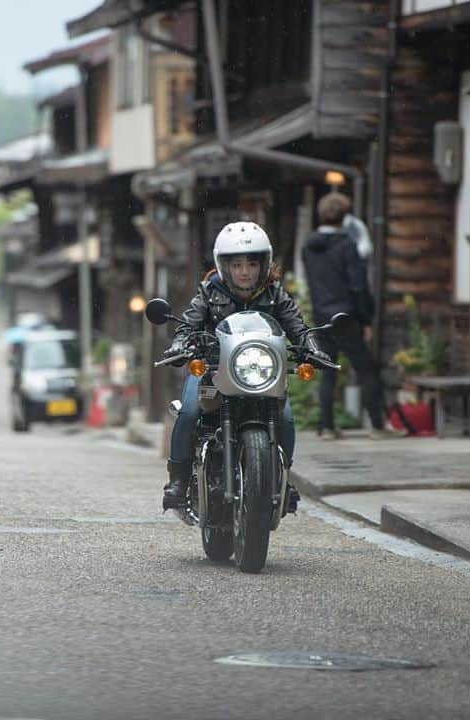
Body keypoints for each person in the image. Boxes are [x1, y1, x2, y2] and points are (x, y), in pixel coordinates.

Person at [162, 221, 329, 509]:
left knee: (286, 420)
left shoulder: (275, 294)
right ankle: (177, 480)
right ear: (223, 265)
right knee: (188, 412)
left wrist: (312, 348)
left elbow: (297, 327)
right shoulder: (208, 291)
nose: (244, 271)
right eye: (237, 264)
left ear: (263, 264)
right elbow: (189, 323)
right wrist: (181, 343)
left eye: (252, 264)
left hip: (262, 374)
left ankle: (280, 478)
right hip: (215, 370)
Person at [301, 192, 404, 440]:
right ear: (345, 217)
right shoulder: (347, 246)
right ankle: (377, 425)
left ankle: (326, 427)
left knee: (328, 370)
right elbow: (358, 285)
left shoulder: (308, 245)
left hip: (320, 314)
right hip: (346, 315)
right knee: (367, 368)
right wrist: (366, 318)